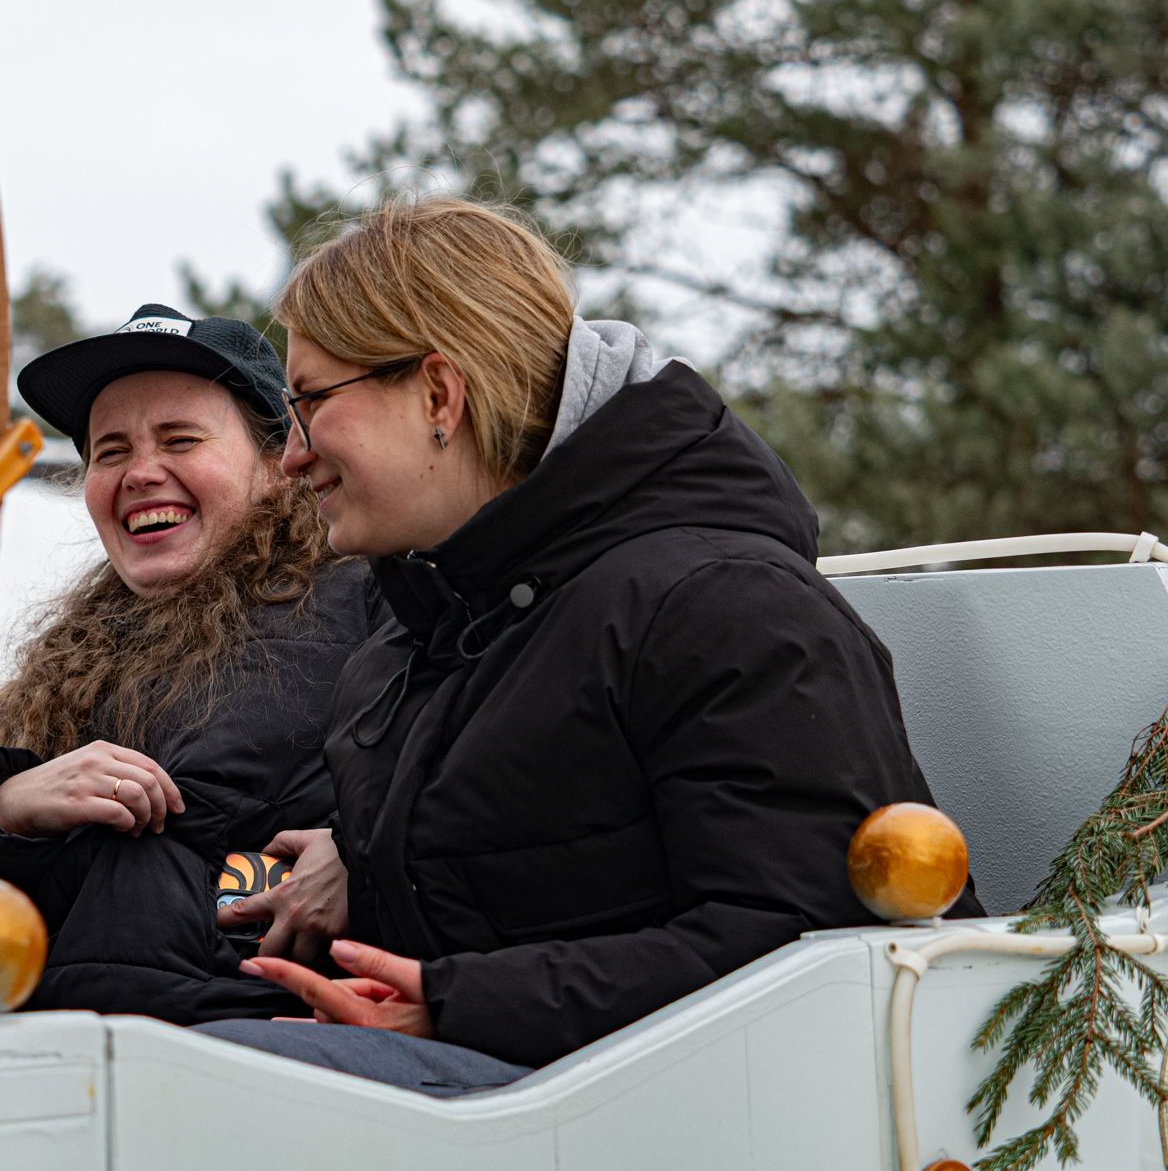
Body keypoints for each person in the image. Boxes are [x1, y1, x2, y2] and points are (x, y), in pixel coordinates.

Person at [202, 197, 981, 1090]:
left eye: (309, 403)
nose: (292, 455)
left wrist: (460, 1002)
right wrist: (363, 869)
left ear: (438, 393)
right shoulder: (421, 635)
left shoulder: (724, 610)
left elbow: (810, 949)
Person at [0, 304, 376, 1064]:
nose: (139, 472)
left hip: (272, 1065)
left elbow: (488, 780)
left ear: (275, 456)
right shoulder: (67, 662)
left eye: (181, 439)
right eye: (108, 450)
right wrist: (0, 809)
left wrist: (365, 851)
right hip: (60, 1070)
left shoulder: (371, 595)